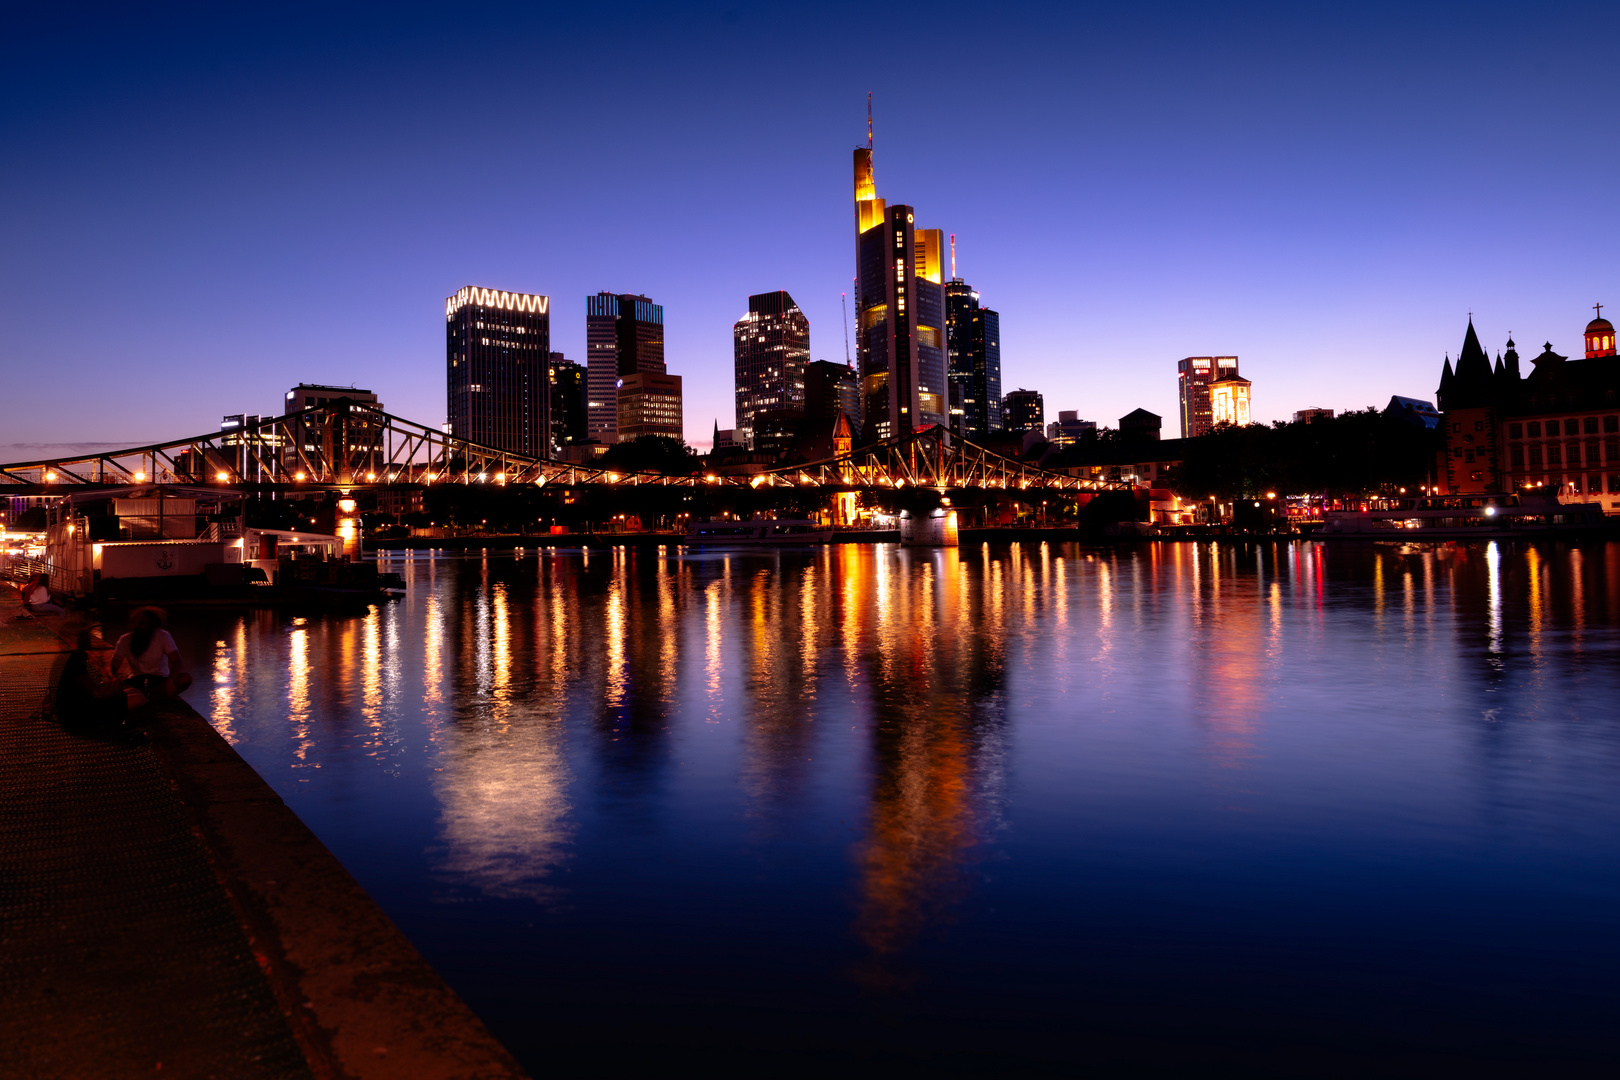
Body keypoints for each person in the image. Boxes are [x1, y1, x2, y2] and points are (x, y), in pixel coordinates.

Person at [110, 606, 192, 702]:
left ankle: (145, 693)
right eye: (134, 622)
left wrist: (170, 680)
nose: (137, 626)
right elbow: (114, 666)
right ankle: (145, 693)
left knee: (185, 678)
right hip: (137, 679)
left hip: (160, 680)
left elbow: (177, 662)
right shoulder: (125, 639)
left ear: (151, 625)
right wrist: (114, 678)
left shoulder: (163, 636)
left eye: (141, 623)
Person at [54, 627, 128, 729]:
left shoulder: (73, 657)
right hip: (75, 715)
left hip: (73, 707)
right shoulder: (75, 660)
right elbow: (97, 695)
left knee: (129, 692)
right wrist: (115, 683)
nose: (90, 642)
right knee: (136, 698)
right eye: (85, 638)